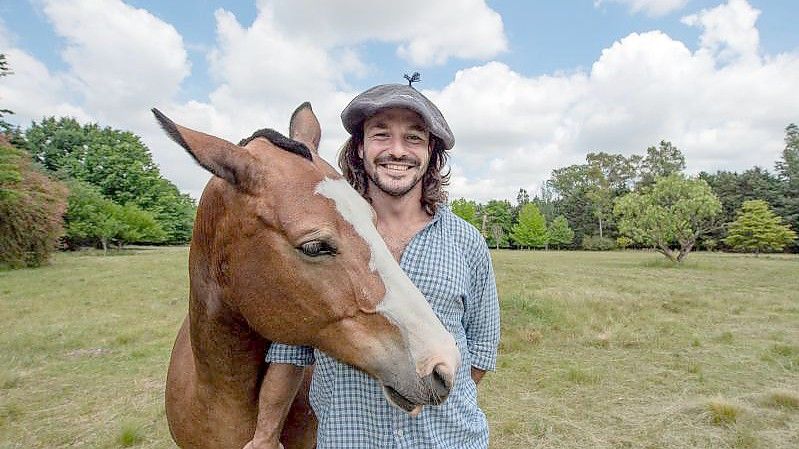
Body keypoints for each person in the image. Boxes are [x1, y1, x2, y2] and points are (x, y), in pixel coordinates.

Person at [256, 83, 500, 449]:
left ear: (430, 151)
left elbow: (479, 353)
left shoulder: (468, 242)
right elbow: (290, 351)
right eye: (381, 135)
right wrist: (265, 436)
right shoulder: (321, 242)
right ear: (360, 147)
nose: (397, 150)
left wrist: (426, 390)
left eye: (414, 138)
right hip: (349, 440)